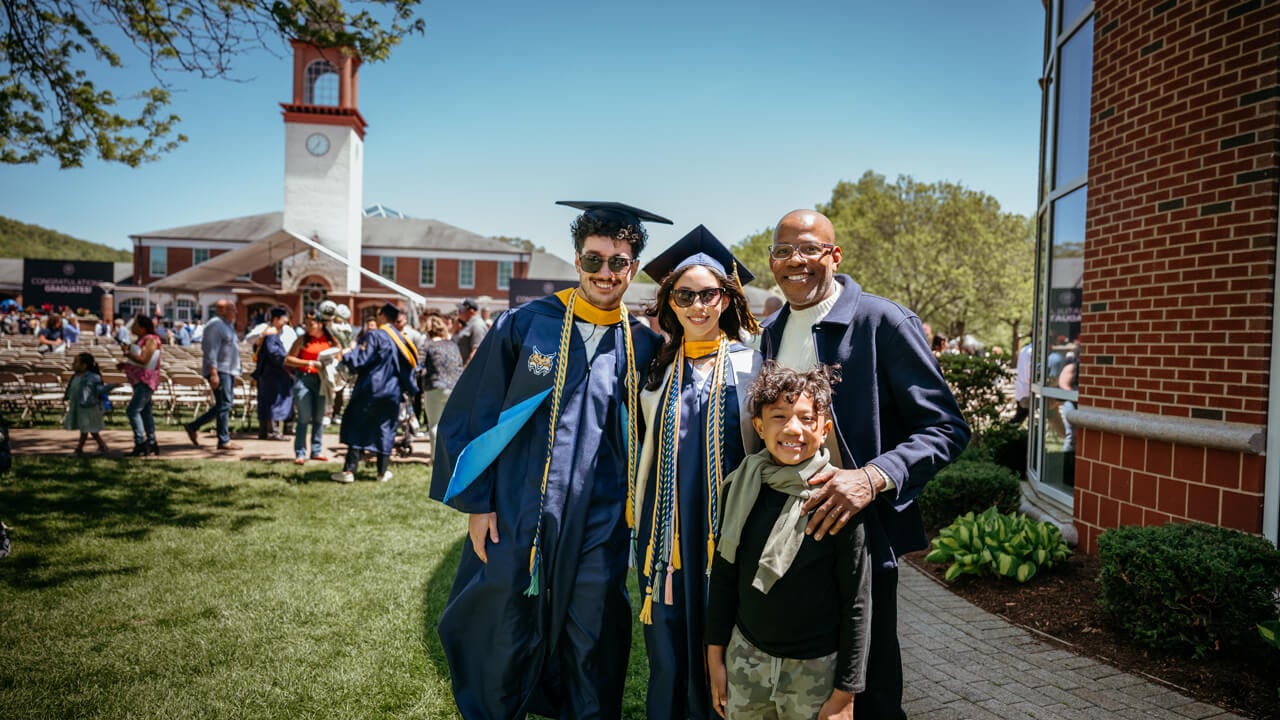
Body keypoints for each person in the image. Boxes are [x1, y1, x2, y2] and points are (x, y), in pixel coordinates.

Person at [429, 201, 670, 719]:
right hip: (519, 509)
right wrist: (478, 503)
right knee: (505, 622)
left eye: (619, 262)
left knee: (594, 632)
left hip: (601, 520)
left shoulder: (643, 342)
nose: (605, 273)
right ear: (576, 260)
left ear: (632, 267)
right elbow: (476, 413)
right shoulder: (527, 325)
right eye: (593, 260)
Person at [759, 209, 969, 720]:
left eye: (809, 248)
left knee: (869, 690)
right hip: (787, 541)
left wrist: (873, 477)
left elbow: (947, 428)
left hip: (862, 537)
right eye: (784, 251)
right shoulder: (771, 331)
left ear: (835, 255)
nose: (796, 261)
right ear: (772, 262)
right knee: (803, 682)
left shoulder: (882, 322)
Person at [633, 224, 762, 720]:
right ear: (671, 301)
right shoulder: (657, 369)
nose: (698, 305)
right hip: (666, 536)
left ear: (726, 300)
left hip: (729, 532)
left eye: (709, 294)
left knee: (726, 641)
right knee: (666, 645)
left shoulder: (753, 366)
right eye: (685, 295)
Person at [706, 363, 870, 720]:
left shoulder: (837, 499)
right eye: (779, 417)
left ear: (825, 430)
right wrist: (715, 656)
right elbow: (723, 576)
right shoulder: (740, 488)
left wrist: (846, 694)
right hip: (746, 659)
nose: (793, 429)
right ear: (760, 427)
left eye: (806, 418)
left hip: (815, 671)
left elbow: (857, 603)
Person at [331, 303, 418, 483]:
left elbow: (361, 359)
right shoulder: (401, 339)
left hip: (370, 389)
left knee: (358, 425)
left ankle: (349, 471)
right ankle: (381, 472)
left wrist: (345, 356)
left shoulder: (375, 335)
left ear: (383, 317)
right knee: (386, 428)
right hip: (392, 391)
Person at [184, 299, 242, 451]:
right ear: (221, 310)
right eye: (232, 309)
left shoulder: (227, 325)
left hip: (228, 371)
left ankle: (193, 426)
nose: (235, 312)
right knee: (224, 405)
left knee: (224, 404)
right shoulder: (215, 325)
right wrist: (214, 373)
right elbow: (211, 351)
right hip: (220, 370)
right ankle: (223, 440)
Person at [285, 311, 340, 465]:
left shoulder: (330, 340)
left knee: (318, 417)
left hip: (322, 380)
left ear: (320, 324)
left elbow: (339, 356)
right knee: (303, 417)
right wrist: (308, 363)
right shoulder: (302, 340)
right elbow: (288, 359)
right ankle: (300, 452)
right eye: (306, 324)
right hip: (304, 379)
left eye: (311, 324)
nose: (307, 327)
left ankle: (316, 450)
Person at [418, 315, 462, 460]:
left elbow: (419, 367)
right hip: (455, 387)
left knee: (434, 425)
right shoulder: (452, 344)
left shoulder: (427, 345)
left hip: (435, 386)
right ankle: (452, 455)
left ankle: (435, 458)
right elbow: (459, 364)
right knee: (452, 425)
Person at [119, 314, 162, 457]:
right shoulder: (141, 340)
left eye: (135, 324)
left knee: (132, 411)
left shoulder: (150, 340)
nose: (132, 327)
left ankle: (140, 443)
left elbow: (144, 360)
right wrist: (126, 364)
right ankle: (151, 442)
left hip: (145, 381)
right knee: (145, 412)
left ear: (143, 328)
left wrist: (127, 354)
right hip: (140, 381)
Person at [252, 307, 294, 441]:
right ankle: (273, 432)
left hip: (268, 374)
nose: (285, 323)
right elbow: (274, 354)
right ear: (276, 320)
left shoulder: (268, 333)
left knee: (266, 402)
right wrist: (288, 360)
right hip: (272, 374)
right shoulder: (271, 334)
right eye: (283, 320)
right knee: (274, 401)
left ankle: (264, 432)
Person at [64, 352, 111, 455]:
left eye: (76, 362)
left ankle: (79, 449)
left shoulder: (93, 377)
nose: (73, 364)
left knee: (86, 429)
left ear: (84, 365)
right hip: (79, 405)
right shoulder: (75, 376)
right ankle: (102, 447)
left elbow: (100, 390)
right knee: (88, 429)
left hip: (89, 407)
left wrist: (112, 386)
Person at [452, 298, 487, 365]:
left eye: (461, 310)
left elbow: (476, 352)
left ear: (471, 311)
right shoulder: (467, 324)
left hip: (467, 371)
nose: (458, 312)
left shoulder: (477, 325)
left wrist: (465, 372)